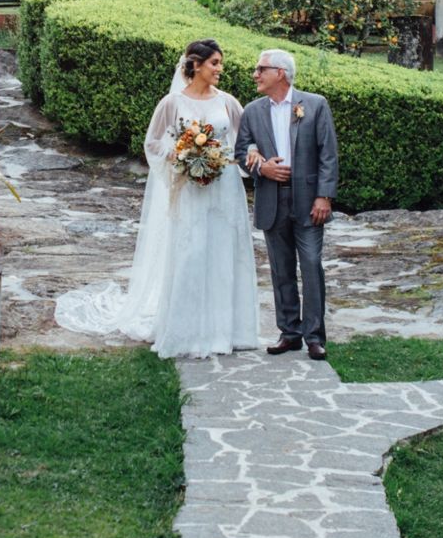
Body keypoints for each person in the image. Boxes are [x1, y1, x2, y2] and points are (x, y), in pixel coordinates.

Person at [52, 38, 261, 357]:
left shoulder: (228, 102)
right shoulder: (172, 103)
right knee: (191, 253)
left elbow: (247, 142)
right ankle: (186, 330)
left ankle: (227, 331)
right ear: (196, 66)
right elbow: (152, 143)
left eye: (220, 63)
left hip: (223, 188)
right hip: (189, 189)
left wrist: (224, 158)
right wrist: (183, 158)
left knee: (223, 252)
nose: (220, 69)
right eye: (215, 63)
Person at [235, 49, 339, 360]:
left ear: (280, 73)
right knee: (281, 270)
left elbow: (328, 154)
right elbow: (242, 152)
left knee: (310, 266)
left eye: (260, 69)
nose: (255, 74)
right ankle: (289, 332)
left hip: (309, 201)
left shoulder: (315, 105)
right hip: (271, 199)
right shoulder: (252, 111)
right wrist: (261, 168)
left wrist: (324, 196)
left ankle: (315, 336)